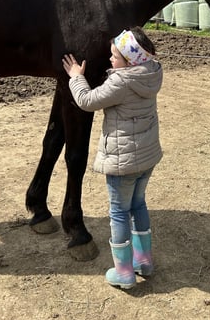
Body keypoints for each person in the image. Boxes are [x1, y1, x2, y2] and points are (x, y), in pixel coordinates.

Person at [62, 26, 163, 290]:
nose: (110, 60)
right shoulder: (151, 73)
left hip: (123, 161)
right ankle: (144, 261)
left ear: (129, 61)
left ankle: (124, 272)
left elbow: (87, 100)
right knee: (138, 205)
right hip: (146, 157)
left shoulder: (121, 81)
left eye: (114, 56)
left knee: (119, 212)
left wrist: (76, 77)